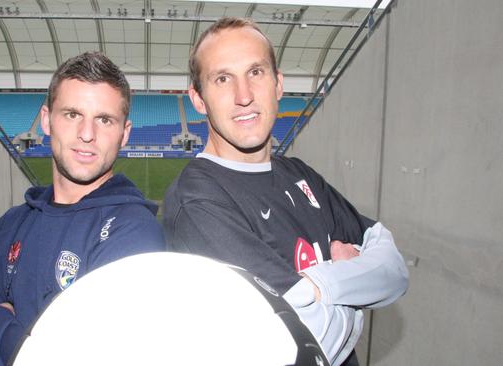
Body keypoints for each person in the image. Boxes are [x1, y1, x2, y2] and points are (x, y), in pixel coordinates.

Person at [163, 17, 409, 366]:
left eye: (256, 72)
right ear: (198, 99)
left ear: (278, 84)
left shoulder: (300, 173)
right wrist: (355, 300)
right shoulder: (198, 202)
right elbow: (295, 347)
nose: (244, 96)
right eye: (222, 79)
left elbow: (395, 269)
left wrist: (320, 285)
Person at [0, 52, 165, 366]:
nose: (87, 134)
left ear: (125, 133)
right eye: (72, 114)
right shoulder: (12, 223)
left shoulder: (134, 232)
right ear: (47, 120)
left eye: (104, 119)